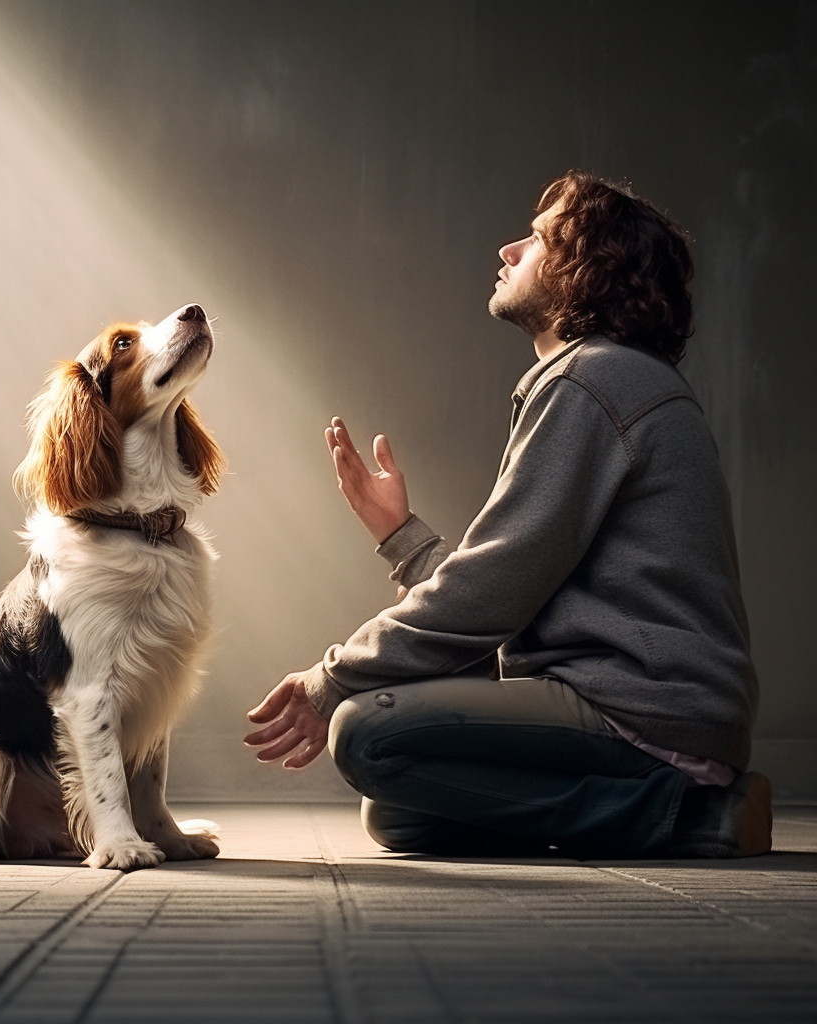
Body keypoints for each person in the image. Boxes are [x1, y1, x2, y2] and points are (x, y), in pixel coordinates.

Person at [244, 170, 771, 859]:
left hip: (644, 711)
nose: (508, 250)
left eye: (540, 239)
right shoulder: (601, 380)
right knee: (400, 815)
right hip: (634, 704)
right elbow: (517, 592)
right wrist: (400, 535)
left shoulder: (594, 378)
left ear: (590, 271)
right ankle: (656, 807)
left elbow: (491, 594)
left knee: (365, 733)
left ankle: (689, 814)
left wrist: (331, 681)